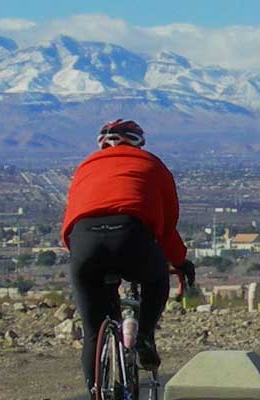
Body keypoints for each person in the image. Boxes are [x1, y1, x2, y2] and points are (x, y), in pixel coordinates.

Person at [62, 119, 196, 394]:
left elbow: (71, 221)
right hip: (132, 236)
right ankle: (144, 335)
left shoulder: (85, 166)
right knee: (156, 279)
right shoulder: (152, 165)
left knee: (92, 333)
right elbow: (168, 228)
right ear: (138, 142)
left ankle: (95, 392)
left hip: (84, 243)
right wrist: (180, 261)